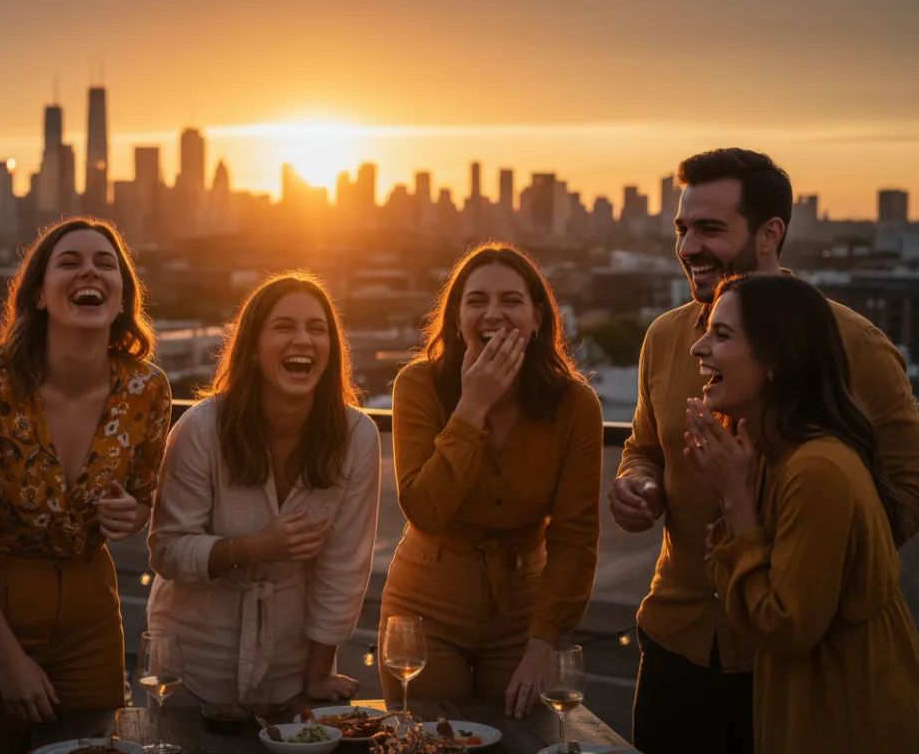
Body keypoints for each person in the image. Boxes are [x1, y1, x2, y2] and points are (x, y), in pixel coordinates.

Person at [609, 148, 919, 754]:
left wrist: (808, 559)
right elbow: (644, 446)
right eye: (683, 228)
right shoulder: (666, 337)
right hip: (678, 641)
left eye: (711, 229)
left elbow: (906, 491)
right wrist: (639, 483)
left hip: (790, 659)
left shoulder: (856, 346)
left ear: (770, 234)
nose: (689, 246)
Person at [0, 218, 171, 754]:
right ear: (39, 295)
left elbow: (140, 500)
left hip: (90, 613)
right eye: (70, 262)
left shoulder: (147, 389)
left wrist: (131, 514)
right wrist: (7, 659)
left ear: (121, 298)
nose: (89, 270)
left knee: (90, 748)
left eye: (104, 263)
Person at [687, 273, 919, 752]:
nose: (699, 348)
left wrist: (735, 498)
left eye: (722, 334)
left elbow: (785, 625)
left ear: (777, 359)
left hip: (844, 720)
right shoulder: (778, 457)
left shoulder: (816, 470)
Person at [377, 242, 602, 717]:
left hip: (522, 612)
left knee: (524, 735)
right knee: (430, 739)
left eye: (512, 301)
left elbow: (575, 536)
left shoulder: (576, 406)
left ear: (538, 317)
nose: (493, 314)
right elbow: (424, 509)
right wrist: (471, 406)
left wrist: (544, 641)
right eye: (476, 300)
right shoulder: (417, 386)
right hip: (425, 605)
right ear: (457, 318)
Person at [146, 272, 381, 708]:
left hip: (294, 663)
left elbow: (343, 570)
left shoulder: (358, 437)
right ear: (252, 350)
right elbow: (168, 551)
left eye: (317, 329)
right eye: (283, 327)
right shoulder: (201, 428)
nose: (303, 340)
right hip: (193, 663)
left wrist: (315, 676)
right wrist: (255, 547)